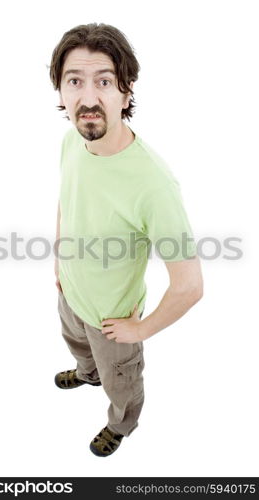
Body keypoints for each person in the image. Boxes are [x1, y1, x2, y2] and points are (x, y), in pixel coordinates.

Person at [48, 23, 203, 457]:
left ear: (126, 92)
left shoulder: (153, 183)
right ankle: (86, 372)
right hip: (71, 294)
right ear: (61, 91)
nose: (89, 98)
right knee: (77, 344)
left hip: (115, 321)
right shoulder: (71, 141)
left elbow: (190, 285)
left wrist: (140, 329)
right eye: (74, 81)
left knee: (123, 384)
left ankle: (122, 423)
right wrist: (60, 262)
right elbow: (65, 198)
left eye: (104, 81)